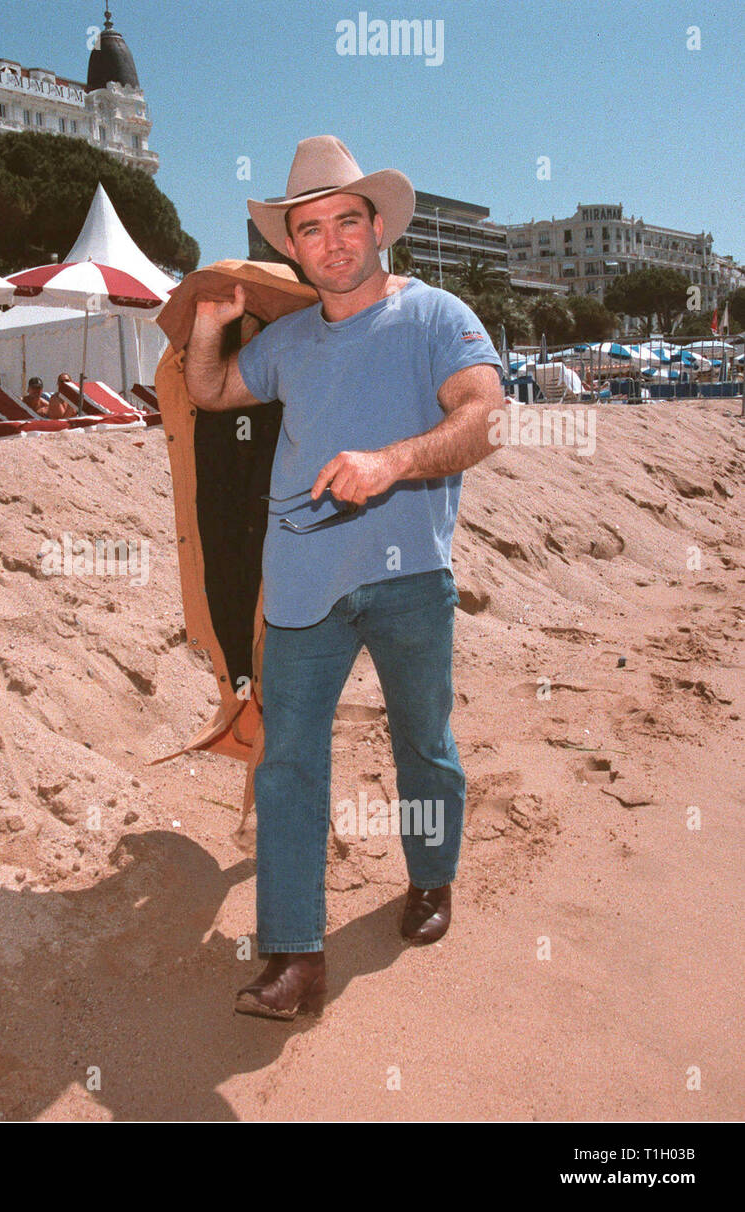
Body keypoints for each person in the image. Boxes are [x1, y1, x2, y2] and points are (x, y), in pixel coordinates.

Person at [184, 135, 504, 1021]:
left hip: (411, 579)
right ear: (293, 245)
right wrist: (209, 335)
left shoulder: (438, 316)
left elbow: (484, 418)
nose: (331, 242)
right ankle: (294, 957)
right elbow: (210, 395)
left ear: (377, 227)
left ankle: (431, 880)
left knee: (424, 746)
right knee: (288, 764)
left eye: (346, 222)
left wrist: (393, 461)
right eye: (311, 228)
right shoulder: (286, 341)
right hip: (300, 587)